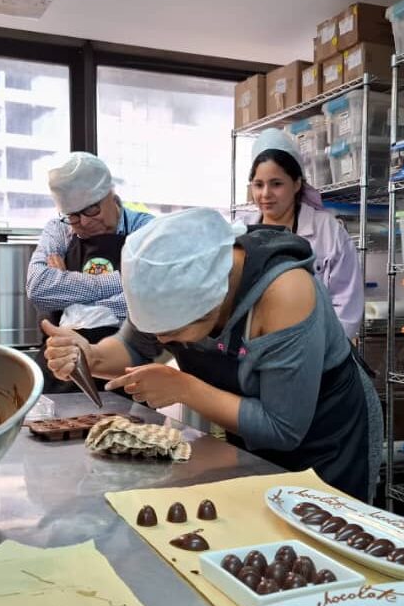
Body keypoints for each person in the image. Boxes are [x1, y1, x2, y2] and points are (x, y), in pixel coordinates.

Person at [43, 208, 382, 500]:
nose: (161, 340)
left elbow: (282, 428)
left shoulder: (284, 293)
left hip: (329, 436)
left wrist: (182, 387)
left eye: (173, 333)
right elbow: (134, 346)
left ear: (214, 302)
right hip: (254, 434)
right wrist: (91, 356)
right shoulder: (168, 276)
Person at [26, 152, 152, 392]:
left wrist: (66, 286)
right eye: (73, 216)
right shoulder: (58, 230)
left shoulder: (145, 229)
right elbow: (39, 289)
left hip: (124, 361)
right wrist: (122, 281)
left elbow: (148, 294)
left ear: (112, 197)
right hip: (60, 356)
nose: (83, 222)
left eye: (91, 210)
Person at [239, 129, 364, 339]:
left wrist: (322, 353)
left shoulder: (328, 230)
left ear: (297, 183)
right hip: (253, 348)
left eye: (276, 184)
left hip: (317, 349)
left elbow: (347, 304)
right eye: (258, 185)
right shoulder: (240, 231)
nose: (265, 194)